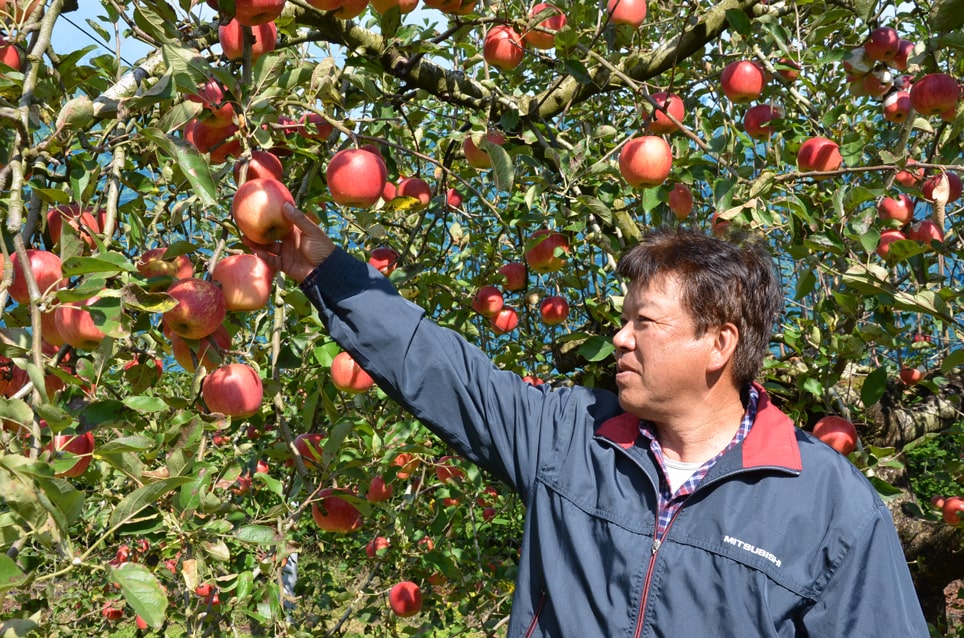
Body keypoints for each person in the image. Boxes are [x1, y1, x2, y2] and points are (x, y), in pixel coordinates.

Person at [255, 202, 930, 636]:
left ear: (719, 344)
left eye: (644, 322)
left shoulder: (828, 506)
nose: (620, 338)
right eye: (622, 319)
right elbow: (442, 370)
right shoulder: (569, 437)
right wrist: (328, 274)